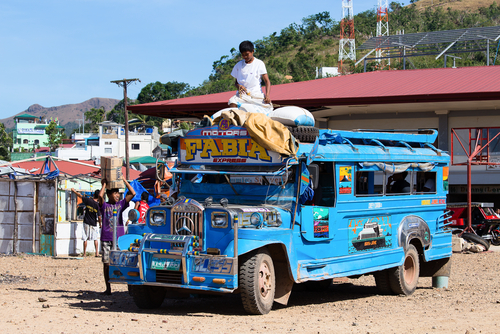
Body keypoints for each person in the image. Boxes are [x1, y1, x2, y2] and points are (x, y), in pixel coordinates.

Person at [98, 176, 136, 295]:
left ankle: (129, 288)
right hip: (106, 238)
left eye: (118, 193)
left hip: (118, 239)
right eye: (115, 193)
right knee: (106, 264)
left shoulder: (121, 204)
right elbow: (100, 196)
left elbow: (133, 193)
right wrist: (104, 184)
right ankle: (108, 288)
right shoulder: (104, 206)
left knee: (123, 263)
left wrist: (124, 180)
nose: (117, 196)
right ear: (109, 194)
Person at [228, 40, 271, 108]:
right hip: (242, 96)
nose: (245, 56)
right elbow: (236, 83)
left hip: (256, 95)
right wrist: (239, 86)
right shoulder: (238, 65)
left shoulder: (259, 63)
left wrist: (267, 96)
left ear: (252, 51)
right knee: (232, 102)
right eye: (243, 55)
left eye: (247, 54)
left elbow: (267, 81)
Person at [71, 188, 101, 257]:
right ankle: (96, 253)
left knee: (85, 238)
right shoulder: (97, 205)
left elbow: (80, 195)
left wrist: (74, 191)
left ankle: (84, 253)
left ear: (93, 195)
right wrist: (100, 224)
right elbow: (99, 216)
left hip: (86, 222)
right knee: (95, 238)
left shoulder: (88, 200)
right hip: (93, 223)